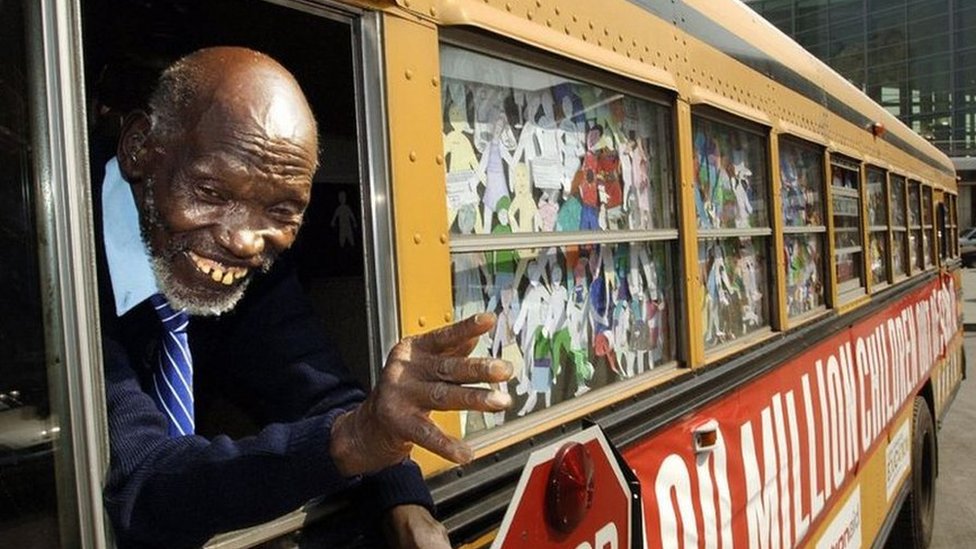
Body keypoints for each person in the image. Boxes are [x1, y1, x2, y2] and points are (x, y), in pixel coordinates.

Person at [98, 46, 512, 548]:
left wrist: (405, 504)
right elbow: (141, 484)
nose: (246, 241)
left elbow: (320, 392)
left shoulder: (246, 270)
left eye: (280, 212)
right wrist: (350, 440)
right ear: (141, 148)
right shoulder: (61, 277)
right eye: (211, 192)